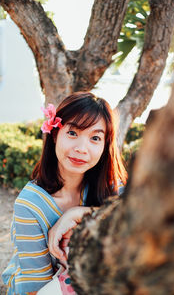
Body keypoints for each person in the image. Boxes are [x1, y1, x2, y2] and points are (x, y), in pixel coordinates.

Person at [2, 92, 127, 295]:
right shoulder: (30, 205)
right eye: (72, 133)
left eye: (95, 138)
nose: (81, 148)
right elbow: (36, 288)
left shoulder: (111, 186)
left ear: (105, 146)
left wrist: (79, 213)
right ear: (54, 134)